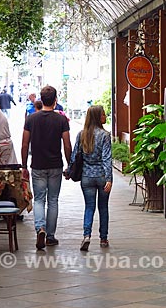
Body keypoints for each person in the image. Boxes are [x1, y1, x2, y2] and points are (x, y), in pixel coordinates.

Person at [21, 85, 71, 250]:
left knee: (39, 199)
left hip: (38, 165)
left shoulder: (31, 119)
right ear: (55, 100)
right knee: (53, 200)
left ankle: (40, 228)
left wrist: (23, 165)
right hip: (55, 165)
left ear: (41, 100)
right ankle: (50, 236)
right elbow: (67, 144)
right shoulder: (61, 120)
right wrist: (69, 164)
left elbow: (24, 144)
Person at [66, 105, 112, 251]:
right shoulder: (105, 135)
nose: (105, 117)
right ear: (98, 117)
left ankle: (87, 235)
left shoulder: (82, 134)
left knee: (89, 207)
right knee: (103, 207)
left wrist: (69, 170)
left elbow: (74, 155)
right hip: (102, 176)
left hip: (87, 176)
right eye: (103, 115)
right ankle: (103, 238)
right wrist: (109, 178)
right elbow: (107, 159)